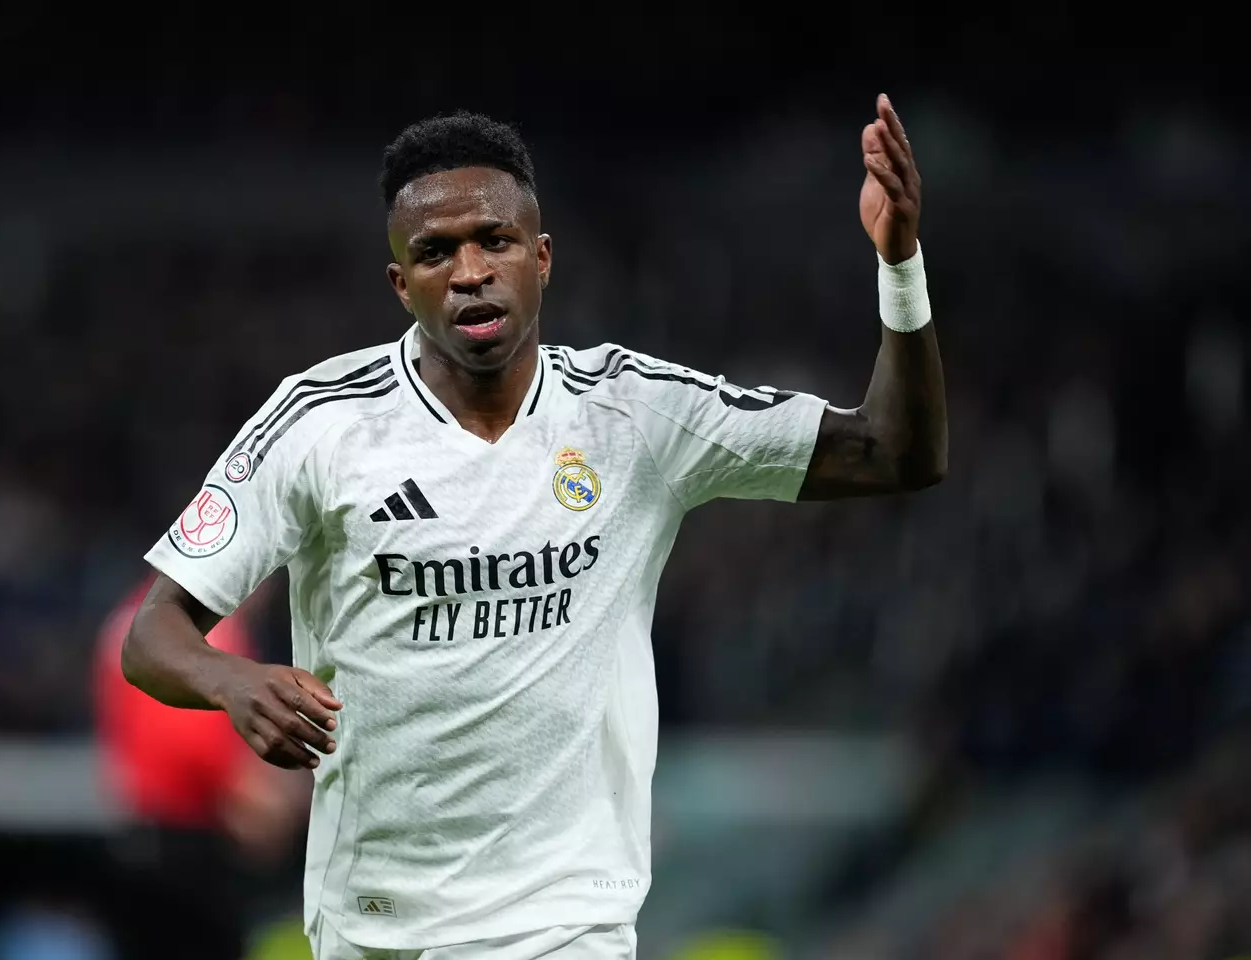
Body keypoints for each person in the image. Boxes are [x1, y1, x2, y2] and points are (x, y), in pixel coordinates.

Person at [121, 95, 946, 959]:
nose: (469, 271)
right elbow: (153, 632)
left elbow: (897, 451)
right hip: (373, 923)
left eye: (495, 241)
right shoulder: (318, 423)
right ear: (401, 284)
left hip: (563, 925)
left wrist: (900, 263)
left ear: (541, 258)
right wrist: (233, 682)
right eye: (435, 252)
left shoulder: (634, 412)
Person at [94, 574, 310, 959]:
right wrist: (280, 805)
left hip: (136, 836)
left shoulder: (134, 614)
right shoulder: (196, 631)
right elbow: (202, 752)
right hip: (188, 850)